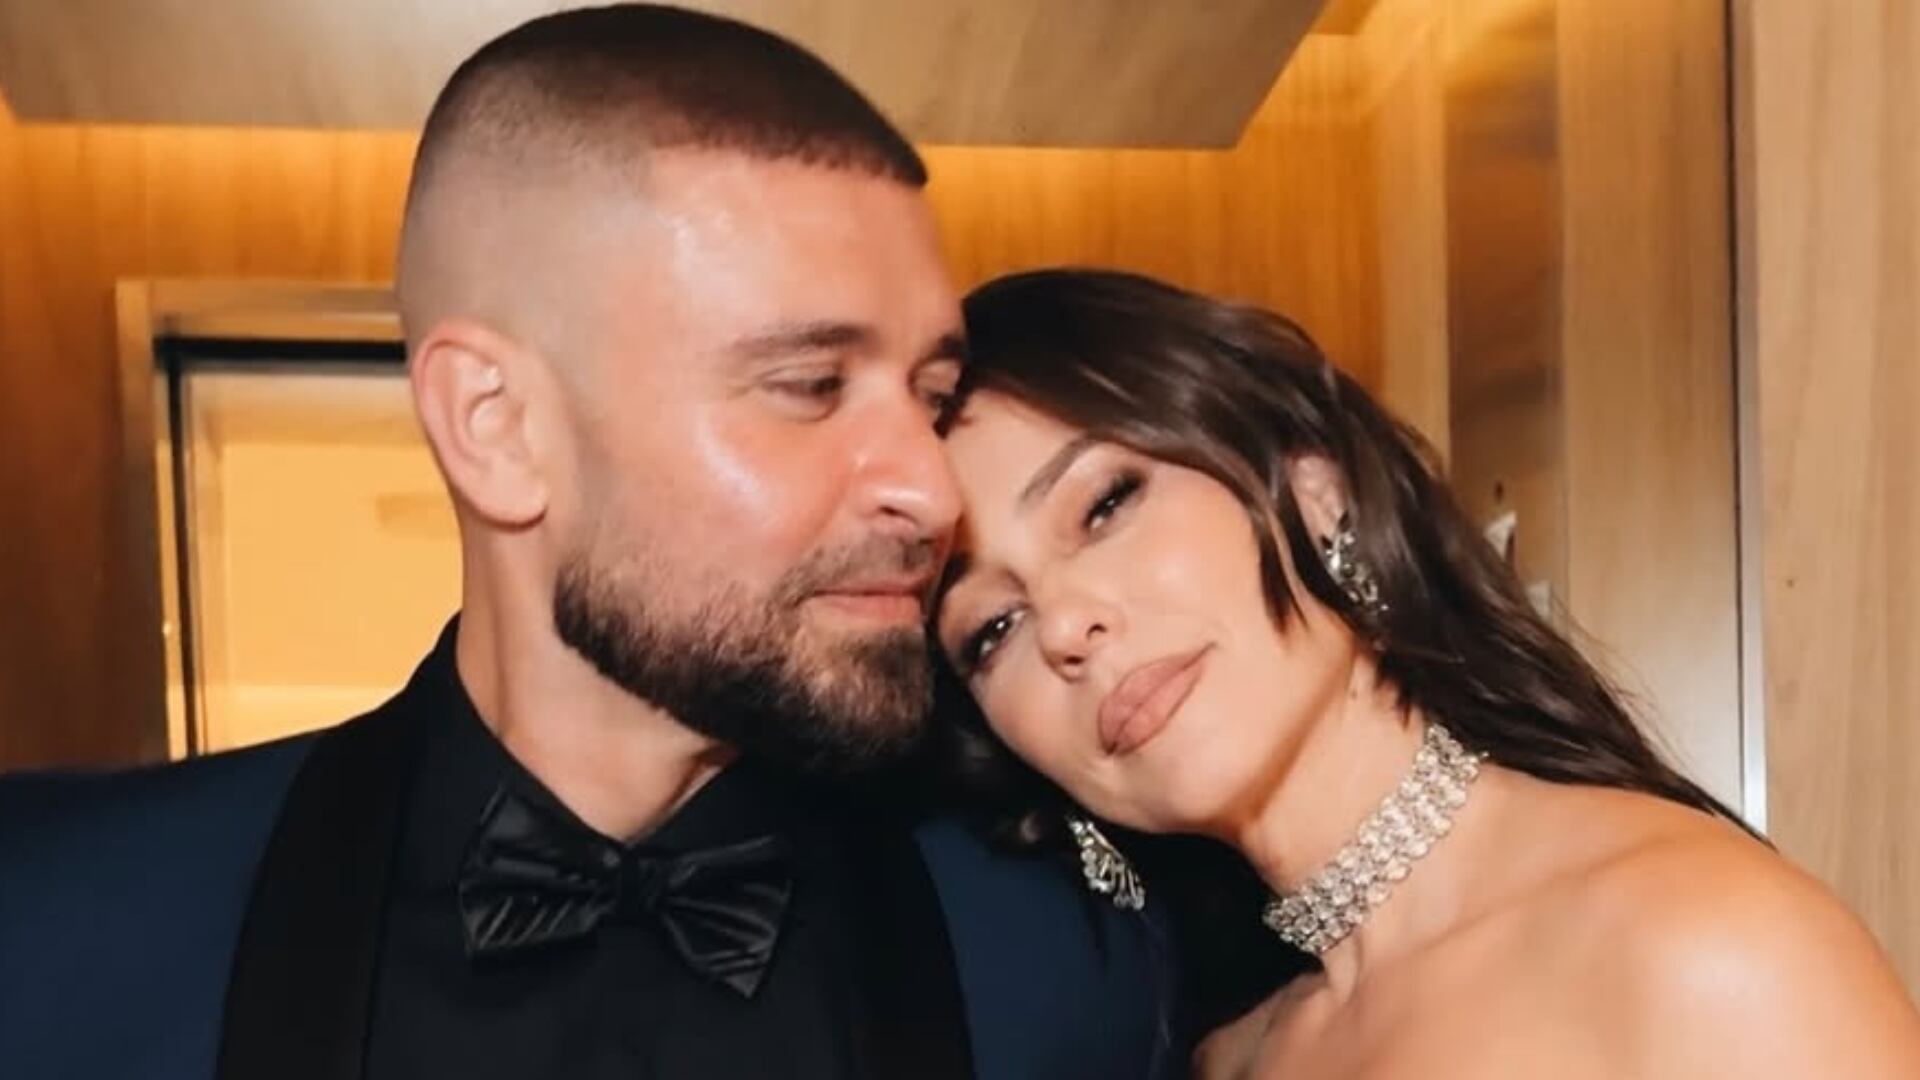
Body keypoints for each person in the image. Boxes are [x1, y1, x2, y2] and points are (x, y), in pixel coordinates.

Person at [0, 10, 1173, 1079]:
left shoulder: (1062, 953)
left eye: (931, 395)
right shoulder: (49, 923)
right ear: (498, 429)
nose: (928, 486)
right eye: (811, 384)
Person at [929, 267, 1920, 1078]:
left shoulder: (1699, 947)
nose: (1067, 625)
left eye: (1105, 505)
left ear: (1313, 489)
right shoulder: (1229, 1055)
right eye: (992, 629)